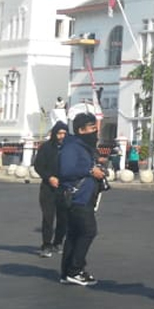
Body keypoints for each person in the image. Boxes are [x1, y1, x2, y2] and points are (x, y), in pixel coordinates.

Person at [58, 114, 108, 287]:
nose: (95, 131)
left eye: (95, 128)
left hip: (84, 196)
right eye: (91, 128)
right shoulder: (72, 147)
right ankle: (75, 270)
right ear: (81, 130)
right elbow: (66, 170)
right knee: (88, 231)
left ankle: (67, 272)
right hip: (78, 197)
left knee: (74, 234)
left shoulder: (83, 147)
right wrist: (90, 170)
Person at [32, 122, 70, 258]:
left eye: (64, 134)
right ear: (54, 134)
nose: (61, 137)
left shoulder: (70, 148)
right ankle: (46, 245)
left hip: (65, 187)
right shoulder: (46, 148)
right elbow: (38, 166)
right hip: (48, 188)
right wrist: (49, 177)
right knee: (48, 218)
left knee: (63, 218)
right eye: (59, 133)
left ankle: (58, 242)